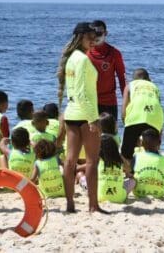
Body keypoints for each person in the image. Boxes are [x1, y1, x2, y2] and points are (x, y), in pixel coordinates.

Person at [57, 22, 104, 213]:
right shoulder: (83, 60)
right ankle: (93, 205)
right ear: (80, 37)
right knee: (92, 160)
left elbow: (74, 91)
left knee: (70, 160)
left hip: (71, 114)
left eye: (95, 38)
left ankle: (70, 204)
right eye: (89, 37)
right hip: (85, 115)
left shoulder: (71, 59)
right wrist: (93, 119)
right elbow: (84, 93)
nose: (93, 41)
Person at [121, 68, 164, 167]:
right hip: (155, 118)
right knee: (151, 147)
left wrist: (125, 123)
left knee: (127, 152)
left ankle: (130, 172)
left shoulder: (130, 85)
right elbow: (158, 104)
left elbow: (124, 108)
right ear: (148, 78)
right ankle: (151, 167)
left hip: (135, 117)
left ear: (134, 79)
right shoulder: (154, 87)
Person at [87, 20, 126, 120]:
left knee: (110, 135)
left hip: (109, 102)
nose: (96, 36)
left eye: (99, 33)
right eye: (93, 34)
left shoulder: (114, 53)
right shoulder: (84, 53)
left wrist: (126, 103)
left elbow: (122, 79)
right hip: (89, 101)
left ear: (106, 33)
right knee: (91, 134)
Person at [131, 128, 164, 198]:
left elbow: (132, 171)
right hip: (160, 193)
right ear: (160, 143)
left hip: (139, 191)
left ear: (141, 143)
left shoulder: (137, 157)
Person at [97, 134, 129, 204]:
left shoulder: (99, 161)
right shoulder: (120, 161)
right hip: (119, 198)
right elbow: (128, 168)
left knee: (84, 178)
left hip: (99, 197)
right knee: (133, 181)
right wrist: (119, 154)